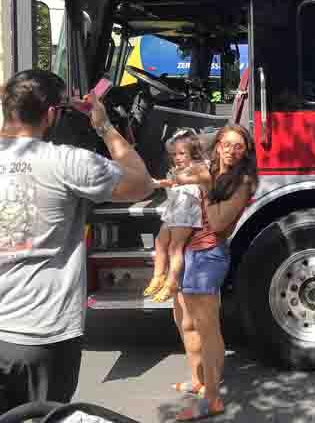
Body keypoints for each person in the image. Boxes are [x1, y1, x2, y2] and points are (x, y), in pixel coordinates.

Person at [0, 70, 153, 411]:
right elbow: (141, 183)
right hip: (43, 335)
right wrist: (104, 126)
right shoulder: (69, 162)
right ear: (52, 114)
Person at [172, 124, 257, 422]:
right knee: (187, 321)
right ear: (218, 144)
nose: (232, 151)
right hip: (187, 251)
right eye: (228, 144)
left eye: (239, 147)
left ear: (246, 152)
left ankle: (212, 398)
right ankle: (197, 380)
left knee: (208, 329)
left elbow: (220, 223)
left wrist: (204, 188)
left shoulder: (243, 181)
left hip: (208, 255)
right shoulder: (208, 166)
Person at [143, 129, 209, 303]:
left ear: (192, 153)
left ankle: (171, 282)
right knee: (160, 241)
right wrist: (157, 183)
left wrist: (185, 179)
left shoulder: (198, 166)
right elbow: (172, 182)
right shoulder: (176, 170)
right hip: (173, 208)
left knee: (175, 246)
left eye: (182, 153)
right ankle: (158, 276)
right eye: (174, 154)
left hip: (187, 208)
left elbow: (206, 177)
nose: (177, 157)